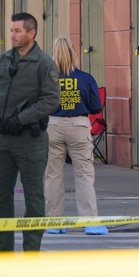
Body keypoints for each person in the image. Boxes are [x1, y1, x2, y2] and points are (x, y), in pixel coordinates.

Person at [0, 12, 60, 252]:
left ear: (31, 33)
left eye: (18, 31)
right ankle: (2, 247)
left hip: (30, 140)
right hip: (4, 140)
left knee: (33, 197)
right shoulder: (3, 60)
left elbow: (51, 100)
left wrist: (21, 119)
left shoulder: (43, 63)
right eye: (12, 30)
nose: (12, 35)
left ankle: (31, 251)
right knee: (0, 194)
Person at [44, 36, 107, 235]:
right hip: (78, 126)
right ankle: (90, 222)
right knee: (84, 175)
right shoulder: (85, 78)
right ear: (74, 54)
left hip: (52, 125)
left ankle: (54, 223)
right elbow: (96, 106)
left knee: (53, 176)